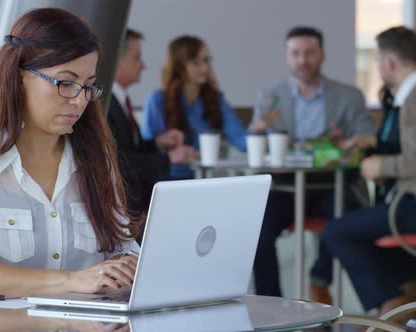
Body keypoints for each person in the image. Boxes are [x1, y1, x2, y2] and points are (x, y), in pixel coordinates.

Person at [0, 8, 140, 298]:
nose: (78, 100)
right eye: (65, 83)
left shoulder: (96, 164)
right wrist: (73, 281)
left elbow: (123, 251)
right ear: (19, 77)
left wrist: (128, 266)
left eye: (87, 87)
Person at [249, 26, 376, 301]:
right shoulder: (270, 96)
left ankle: (320, 277)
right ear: (287, 56)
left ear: (322, 55)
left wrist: (350, 142)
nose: (302, 60)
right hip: (284, 186)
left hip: (333, 184)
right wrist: (259, 127)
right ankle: (272, 308)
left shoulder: (348, 96)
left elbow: (369, 137)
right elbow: (254, 145)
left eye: (309, 53)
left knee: (346, 217)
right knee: (257, 229)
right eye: (295, 53)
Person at [323, 26, 416, 316]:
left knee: (336, 232)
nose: (378, 67)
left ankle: (391, 304)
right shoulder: (406, 98)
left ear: (389, 62)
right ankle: (400, 299)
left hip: (410, 204)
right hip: (403, 200)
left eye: (378, 61)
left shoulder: (412, 100)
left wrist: (379, 166)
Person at [107, 29, 195, 216]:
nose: (143, 65)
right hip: (122, 210)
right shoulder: (105, 104)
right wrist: (169, 158)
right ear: (118, 60)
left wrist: (157, 143)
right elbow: (118, 161)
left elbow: (130, 149)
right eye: (137, 57)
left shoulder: (120, 100)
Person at [140, 35, 248, 179]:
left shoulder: (216, 100)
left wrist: (261, 135)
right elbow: (147, 151)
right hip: (170, 179)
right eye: (196, 62)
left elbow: (239, 138)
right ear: (179, 66)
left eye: (207, 60)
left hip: (207, 178)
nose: (205, 67)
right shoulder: (157, 100)